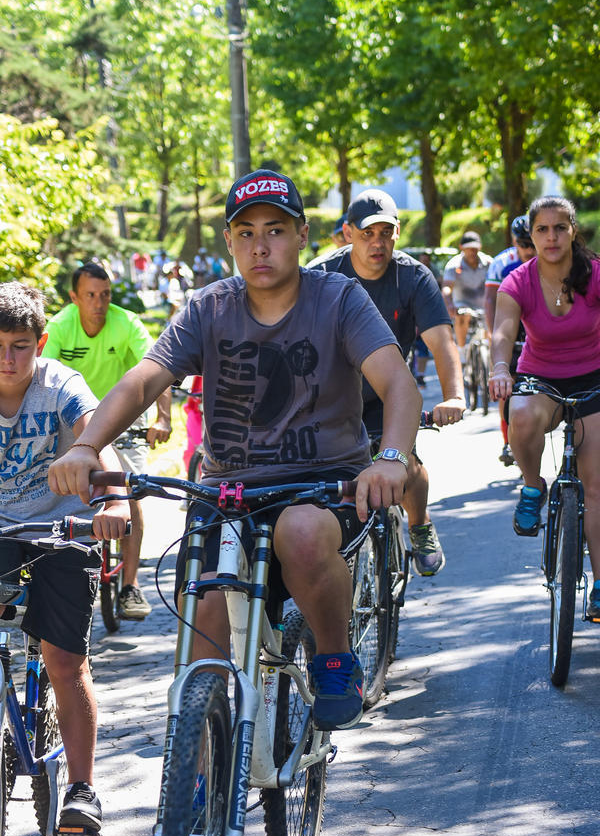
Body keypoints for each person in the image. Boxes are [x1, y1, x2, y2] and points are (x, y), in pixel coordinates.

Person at [48, 168, 422, 732]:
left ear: (302, 235)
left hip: (321, 485)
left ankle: (334, 657)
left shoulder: (340, 298)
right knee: (205, 625)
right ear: (228, 242)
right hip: (228, 491)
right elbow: (144, 380)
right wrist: (85, 446)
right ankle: (197, 775)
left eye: (274, 229)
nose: (260, 245)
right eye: (245, 232)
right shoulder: (209, 307)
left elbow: (398, 384)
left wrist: (390, 459)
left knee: (300, 533)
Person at [0, 282, 129, 836]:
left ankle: (81, 788)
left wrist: (115, 500)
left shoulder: (61, 386)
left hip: (62, 528)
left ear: (41, 342)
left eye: (20, 346)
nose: (7, 358)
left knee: (64, 663)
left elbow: (98, 443)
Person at [311, 188, 465, 576]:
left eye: (386, 233)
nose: (377, 243)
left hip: (389, 396)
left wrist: (454, 396)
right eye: (367, 234)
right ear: (348, 233)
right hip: (334, 398)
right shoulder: (321, 275)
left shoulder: (413, 276)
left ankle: (419, 524)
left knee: (405, 464)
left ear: (397, 233)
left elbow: (440, 341)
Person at [489, 196, 600, 619]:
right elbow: (502, 332)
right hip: (542, 377)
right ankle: (533, 485)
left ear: (573, 231)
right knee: (519, 413)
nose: (551, 237)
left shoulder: (595, 275)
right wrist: (501, 367)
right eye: (542, 230)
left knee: (596, 487)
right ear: (531, 235)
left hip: (594, 377)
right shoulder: (518, 281)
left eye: (560, 228)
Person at [43, 262, 172, 620]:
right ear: (73, 298)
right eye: (90, 296)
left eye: (105, 295)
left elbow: (158, 367)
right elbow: (41, 380)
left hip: (123, 421)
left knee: (131, 494)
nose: (99, 304)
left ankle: (130, 584)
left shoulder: (126, 323)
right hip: (72, 423)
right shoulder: (59, 327)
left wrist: (163, 418)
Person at [484, 216, 536, 466]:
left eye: (532, 243)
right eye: (524, 244)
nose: (529, 250)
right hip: (512, 327)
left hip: (535, 326)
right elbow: (489, 301)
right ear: (515, 241)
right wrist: (492, 333)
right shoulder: (502, 263)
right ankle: (507, 439)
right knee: (507, 386)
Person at [442, 231, 493, 361]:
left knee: (493, 327)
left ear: (480, 247)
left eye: (475, 248)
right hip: (462, 303)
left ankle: (492, 359)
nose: (472, 251)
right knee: (463, 316)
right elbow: (447, 287)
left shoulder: (489, 263)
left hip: (485, 304)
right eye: (469, 248)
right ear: (461, 248)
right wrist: (449, 304)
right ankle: (462, 349)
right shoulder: (454, 265)